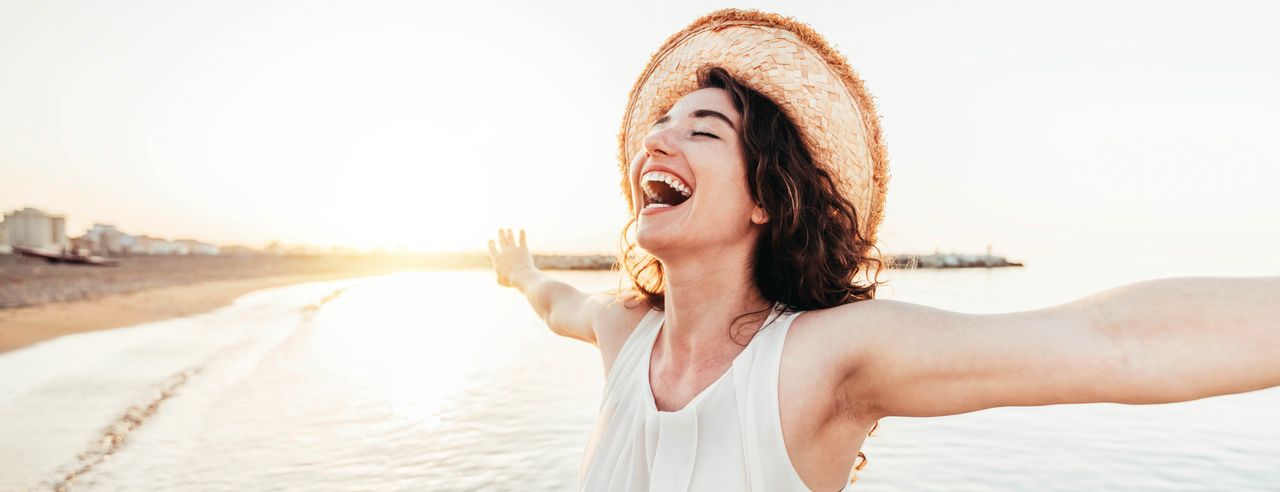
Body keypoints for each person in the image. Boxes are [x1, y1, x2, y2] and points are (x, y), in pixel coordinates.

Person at [487, 9, 1279, 492]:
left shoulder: (819, 361)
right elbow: (558, 303)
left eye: (704, 130)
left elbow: (1111, 342)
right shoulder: (627, 331)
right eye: (662, 124)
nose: (661, 137)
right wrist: (521, 274)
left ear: (766, 198)